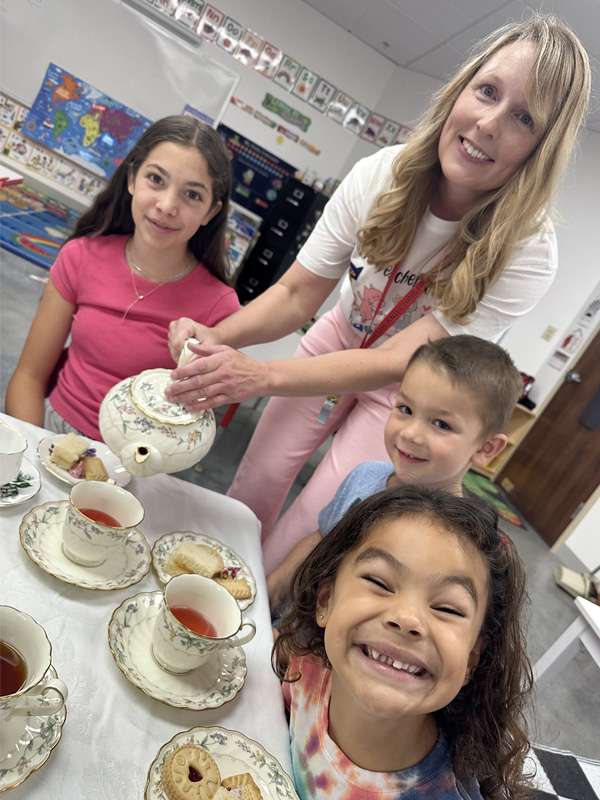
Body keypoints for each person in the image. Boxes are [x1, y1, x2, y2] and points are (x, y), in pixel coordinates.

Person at [166, 16, 590, 549]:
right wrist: (215, 337)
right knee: (255, 481)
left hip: (413, 392)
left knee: (321, 523)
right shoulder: (380, 174)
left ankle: (260, 619)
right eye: (486, 91)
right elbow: (298, 293)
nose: (488, 124)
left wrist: (261, 375)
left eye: (524, 118)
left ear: (540, 149)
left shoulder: (528, 250)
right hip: (341, 334)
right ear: (461, 88)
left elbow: (402, 360)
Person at [273, 485, 534, 800]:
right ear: (325, 601)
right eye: (378, 582)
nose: (407, 618)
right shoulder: (306, 667)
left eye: (447, 608)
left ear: (470, 660)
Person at [6, 116, 239, 440]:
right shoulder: (81, 256)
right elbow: (29, 377)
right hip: (51, 439)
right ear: (132, 178)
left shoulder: (221, 308)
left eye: (192, 195)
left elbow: (193, 427)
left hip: (143, 463)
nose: (167, 205)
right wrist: (33, 451)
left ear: (211, 213)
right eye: (156, 179)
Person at [266, 334, 523, 604]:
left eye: (442, 424)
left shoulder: (454, 543)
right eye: (405, 408)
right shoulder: (364, 476)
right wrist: (271, 589)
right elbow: (320, 536)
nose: (411, 433)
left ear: (486, 448)